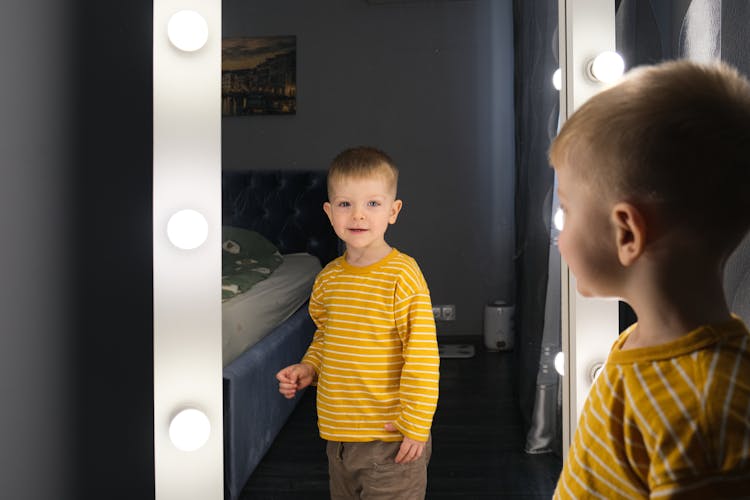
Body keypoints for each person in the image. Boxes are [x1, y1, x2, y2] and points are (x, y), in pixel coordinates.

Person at [551, 59, 750, 499]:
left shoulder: (704, 414)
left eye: (566, 210)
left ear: (627, 232)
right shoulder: (643, 347)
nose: (559, 236)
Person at [276, 146, 440, 499]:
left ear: (393, 211)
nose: (358, 216)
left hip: (391, 439)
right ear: (329, 211)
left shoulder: (402, 275)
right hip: (340, 441)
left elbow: (422, 355)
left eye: (373, 204)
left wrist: (416, 423)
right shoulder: (329, 278)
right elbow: (327, 338)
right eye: (345, 204)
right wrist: (309, 367)